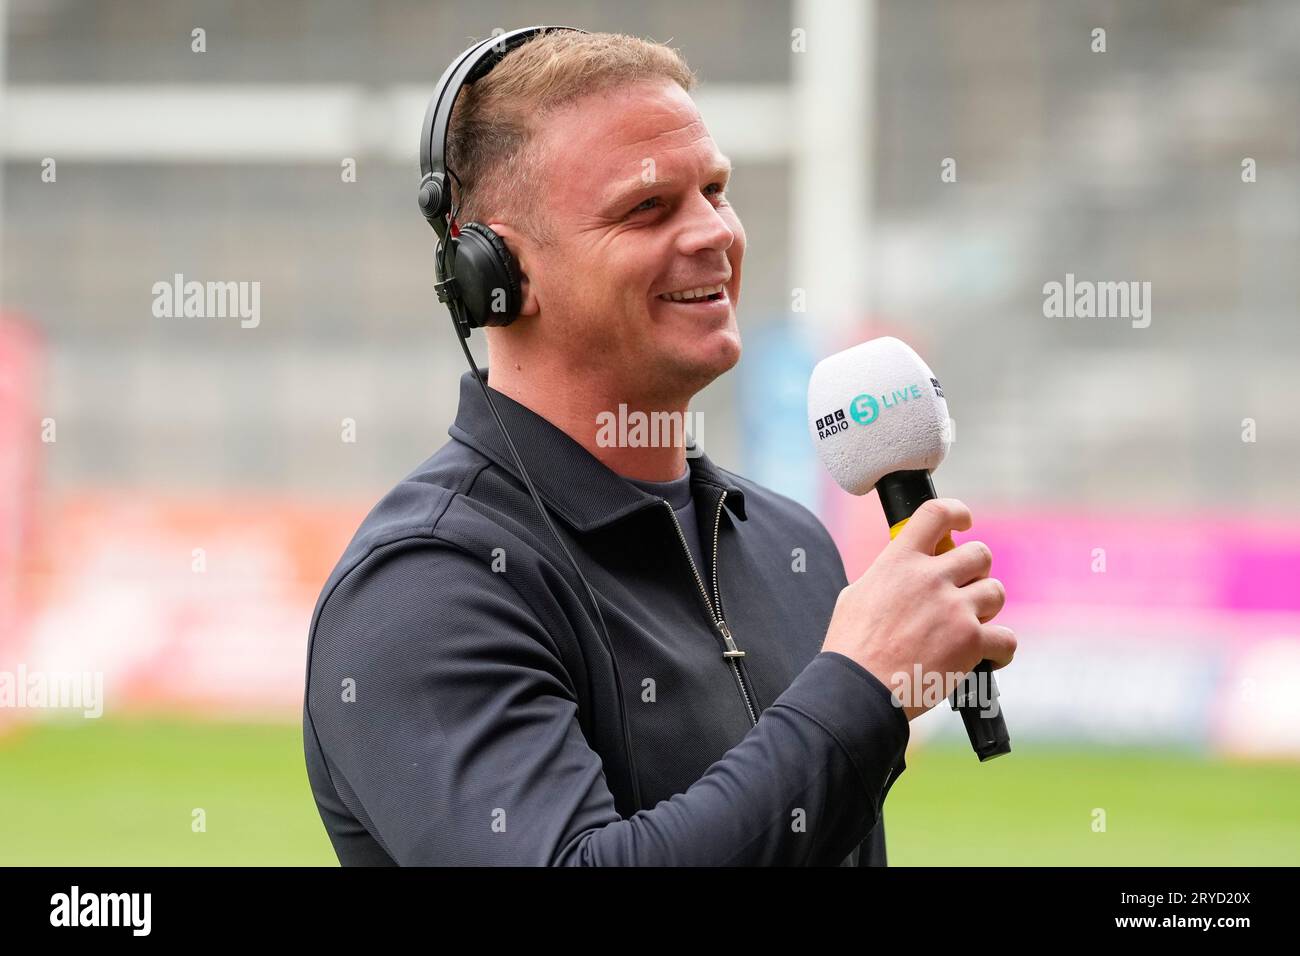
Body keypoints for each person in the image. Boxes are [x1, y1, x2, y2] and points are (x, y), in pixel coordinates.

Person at [302, 29, 1015, 866]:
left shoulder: (790, 546)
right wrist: (859, 688)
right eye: (647, 207)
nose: (713, 232)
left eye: (714, 190)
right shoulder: (424, 585)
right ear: (497, 272)